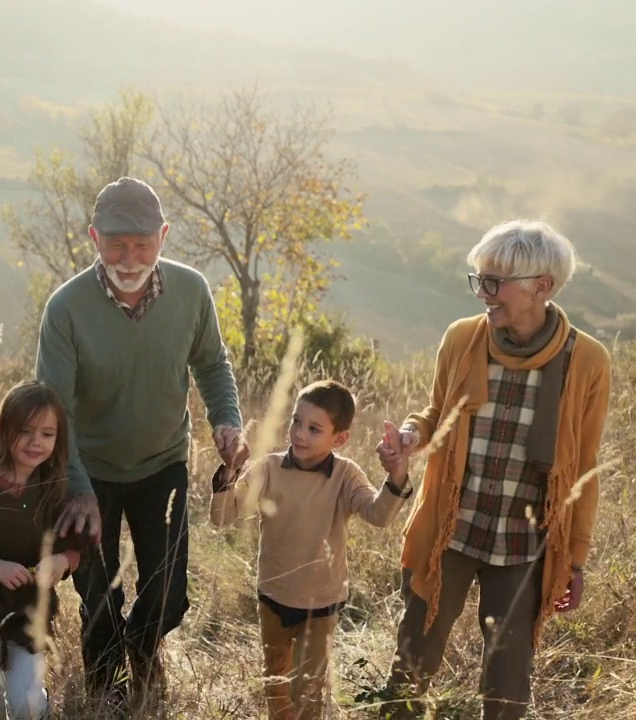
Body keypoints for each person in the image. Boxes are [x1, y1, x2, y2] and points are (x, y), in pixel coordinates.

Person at [375, 220, 612, 719]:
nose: (482, 292)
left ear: (540, 288)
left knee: (507, 683)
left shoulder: (588, 360)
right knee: (413, 661)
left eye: (494, 282)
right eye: (478, 279)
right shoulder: (463, 338)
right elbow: (436, 414)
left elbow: (584, 466)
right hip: (451, 531)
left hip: (526, 543)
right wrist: (412, 438)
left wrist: (576, 560)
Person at [35, 176, 248, 703]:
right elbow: (53, 413)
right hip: (90, 471)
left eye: (142, 245)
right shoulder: (65, 309)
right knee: (98, 593)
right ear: (94, 238)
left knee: (170, 596)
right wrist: (77, 486)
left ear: (164, 237)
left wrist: (226, 419)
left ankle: (144, 646)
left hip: (163, 464)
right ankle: (105, 691)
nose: (129, 258)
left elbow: (212, 362)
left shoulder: (192, 291)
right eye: (116, 244)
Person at [210, 380, 413, 719]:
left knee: (307, 688)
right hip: (273, 596)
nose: (300, 434)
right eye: (296, 422)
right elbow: (221, 516)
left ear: (340, 438)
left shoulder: (345, 475)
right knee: (275, 679)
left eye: (314, 429)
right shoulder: (269, 469)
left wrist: (397, 475)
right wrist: (230, 470)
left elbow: (378, 515)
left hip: (321, 604)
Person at [0, 381, 93, 720]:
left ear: (59, 439)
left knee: (27, 703)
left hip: (28, 612)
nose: (35, 442)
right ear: (5, 429)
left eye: (47, 433)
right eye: (24, 430)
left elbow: (78, 544)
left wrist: (62, 561)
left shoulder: (55, 489)